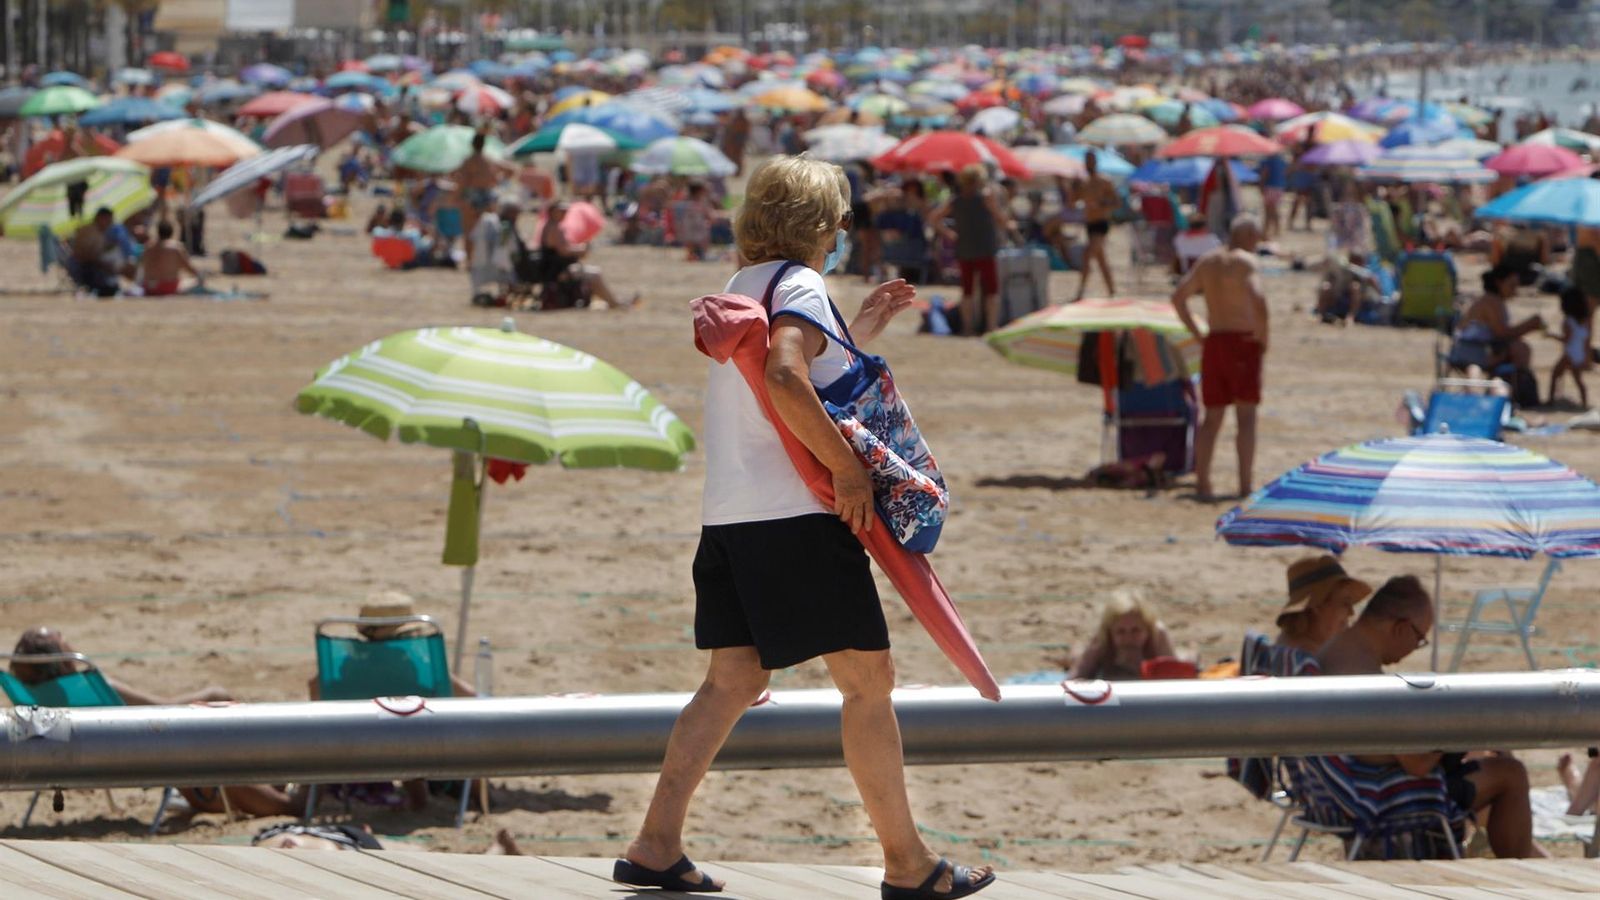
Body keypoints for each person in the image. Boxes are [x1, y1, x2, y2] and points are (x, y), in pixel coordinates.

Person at [618, 156, 993, 899]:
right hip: (796, 517)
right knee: (867, 682)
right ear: (820, 225)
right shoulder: (800, 284)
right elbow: (787, 377)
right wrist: (848, 472)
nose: (845, 232)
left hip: (730, 516)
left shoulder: (741, 287)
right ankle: (908, 864)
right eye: (841, 219)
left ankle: (656, 845)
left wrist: (858, 330)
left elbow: (785, 373)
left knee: (731, 680)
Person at [1318, 576, 1547, 859]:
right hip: (1379, 794)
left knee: (1484, 758)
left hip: (1348, 785)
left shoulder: (1341, 650)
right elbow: (1417, 763)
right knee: (1511, 774)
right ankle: (1521, 873)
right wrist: (1459, 731)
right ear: (1401, 628)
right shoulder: (1361, 673)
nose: (1415, 648)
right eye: (1419, 639)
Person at [8, 627, 301, 818]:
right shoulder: (91, 686)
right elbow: (161, 712)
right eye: (61, 638)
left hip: (79, 762)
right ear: (63, 660)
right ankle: (283, 787)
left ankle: (272, 780)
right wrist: (213, 694)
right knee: (216, 702)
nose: (65, 634)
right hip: (148, 754)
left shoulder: (35, 700)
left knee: (214, 709)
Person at [1171, 216, 1269, 501]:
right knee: (1246, 417)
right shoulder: (1245, 263)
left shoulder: (1207, 262)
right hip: (1242, 341)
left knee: (1211, 417)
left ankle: (1203, 483)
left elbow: (1178, 297)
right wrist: (1263, 337)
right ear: (1249, 236)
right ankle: (1244, 485)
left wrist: (1197, 333)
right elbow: (1258, 299)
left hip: (1215, 340)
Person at [928, 164, 1011, 336]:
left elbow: (934, 218)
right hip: (985, 248)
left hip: (964, 248)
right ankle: (991, 326)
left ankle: (968, 327)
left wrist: (950, 234)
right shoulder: (986, 198)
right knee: (991, 290)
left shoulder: (955, 200)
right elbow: (1001, 219)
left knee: (967, 290)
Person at [539, 200, 640, 309]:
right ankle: (614, 303)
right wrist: (580, 249)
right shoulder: (555, 228)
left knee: (591, 274)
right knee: (594, 274)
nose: (565, 213)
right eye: (562, 211)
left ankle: (614, 301)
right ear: (553, 212)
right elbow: (564, 251)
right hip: (557, 271)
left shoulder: (551, 226)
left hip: (556, 268)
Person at [1067, 589, 1178, 681]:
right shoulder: (1102, 637)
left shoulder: (1157, 635)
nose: (1128, 638)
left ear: (1147, 629)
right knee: (1079, 657)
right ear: (1111, 632)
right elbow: (1074, 679)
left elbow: (1176, 681)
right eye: (1121, 632)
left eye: (1136, 630)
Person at [1274, 556, 1371, 658]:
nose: (1351, 612)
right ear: (1317, 605)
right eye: (1345, 603)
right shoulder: (1305, 661)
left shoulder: (1290, 649)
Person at [1458, 264, 1544, 375]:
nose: (1515, 291)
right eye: (1512, 286)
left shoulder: (1494, 300)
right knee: (1520, 349)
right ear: (1499, 283)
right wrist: (1529, 325)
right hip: (1472, 350)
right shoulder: (1491, 301)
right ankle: (1516, 385)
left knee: (1519, 347)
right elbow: (1502, 334)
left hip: (1479, 348)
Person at [453, 132, 510, 262]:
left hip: (472, 194)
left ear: (472, 144)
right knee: (488, 228)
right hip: (487, 195)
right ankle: (487, 259)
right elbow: (501, 175)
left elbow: (462, 181)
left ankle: (469, 260)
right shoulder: (488, 159)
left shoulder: (468, 161)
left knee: (468, 229)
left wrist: (455, 197)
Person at [1070, 150, 1119, 301]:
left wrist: (1101, 204)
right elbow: (1072, 203)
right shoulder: (1083, 183)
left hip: (1101, 223)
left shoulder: (1104, 181)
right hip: (1089, 224)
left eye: (1090, 160)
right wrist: (1073, 188)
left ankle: (1080, 291)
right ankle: (1112, 290)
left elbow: (1116, 202)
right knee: (1101, 259)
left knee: (1087, 256)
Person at [1548, 284, 1594, 408]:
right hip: (1579, 354)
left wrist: (1551, 335)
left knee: (1555, 374)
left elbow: (1566, 339)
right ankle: (1584, 403)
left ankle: (1550, 401)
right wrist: (1586, 357)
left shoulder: (1568, 321)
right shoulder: (1586, 321)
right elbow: (1586, 341)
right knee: (1578, 380)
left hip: (1569, 353)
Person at [68, 207, 129, 297]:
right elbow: (83, 255)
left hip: (92, 265)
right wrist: (102, 263)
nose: (110, 223)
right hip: (83, 267)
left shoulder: (100, 232)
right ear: (100, 218)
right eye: (108, 220)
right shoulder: (89, 231)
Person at [138, 220, 201, 297]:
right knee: (195, 281)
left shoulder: (148, 247)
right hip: (169, 287)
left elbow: (140, 267)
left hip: (149, 287)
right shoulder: (176, 248)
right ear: (172, 232)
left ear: (158, 232)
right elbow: (189, 269)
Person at [1315, 252, 1380, 324]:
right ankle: (1321, 315)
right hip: (1340, 299)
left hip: (1361, 302)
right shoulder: (1343, 268)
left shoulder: (1361, 271)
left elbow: (1371, 279)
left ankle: (1350, 317)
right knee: (1326, 287)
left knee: (1355, 287)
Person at [672, 182, 715, 262]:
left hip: (688, 227)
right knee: (701, 239)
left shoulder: (684, 201)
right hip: (698, 227)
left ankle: (692, 255)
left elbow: (677, 217)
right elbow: (709, 215)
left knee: (691, 242)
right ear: (699, 191)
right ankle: (699, 254)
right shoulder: (701, 202)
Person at [1258, 152, 1288, 240]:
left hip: (1270, 187)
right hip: (1279, 187)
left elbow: (1264, 174)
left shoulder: (1268, 161)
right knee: (1273, 209)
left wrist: (1261, 186)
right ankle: (1273, 230)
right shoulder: (1281, 161)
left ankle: (1268, 231)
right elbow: (1285, 173)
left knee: (1269, 210)